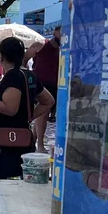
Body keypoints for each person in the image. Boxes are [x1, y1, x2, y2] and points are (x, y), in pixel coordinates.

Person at [0, 37, 54, 180]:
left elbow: (10, 109)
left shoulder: (13, 77)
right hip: (21, 141)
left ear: (1, 56)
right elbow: (48, 101)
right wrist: (28, 116)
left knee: (5, 186)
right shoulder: (28, 75)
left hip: (7, 145)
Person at [27, 25, 62, 153]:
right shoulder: (42, 44)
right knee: (42, 115)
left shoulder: (65, 48)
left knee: (42, 116)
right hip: (41, 84)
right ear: (55, 32)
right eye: (61, 32)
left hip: (57, 84)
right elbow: (25, 58)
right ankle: (40, 144)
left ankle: (33, 141)